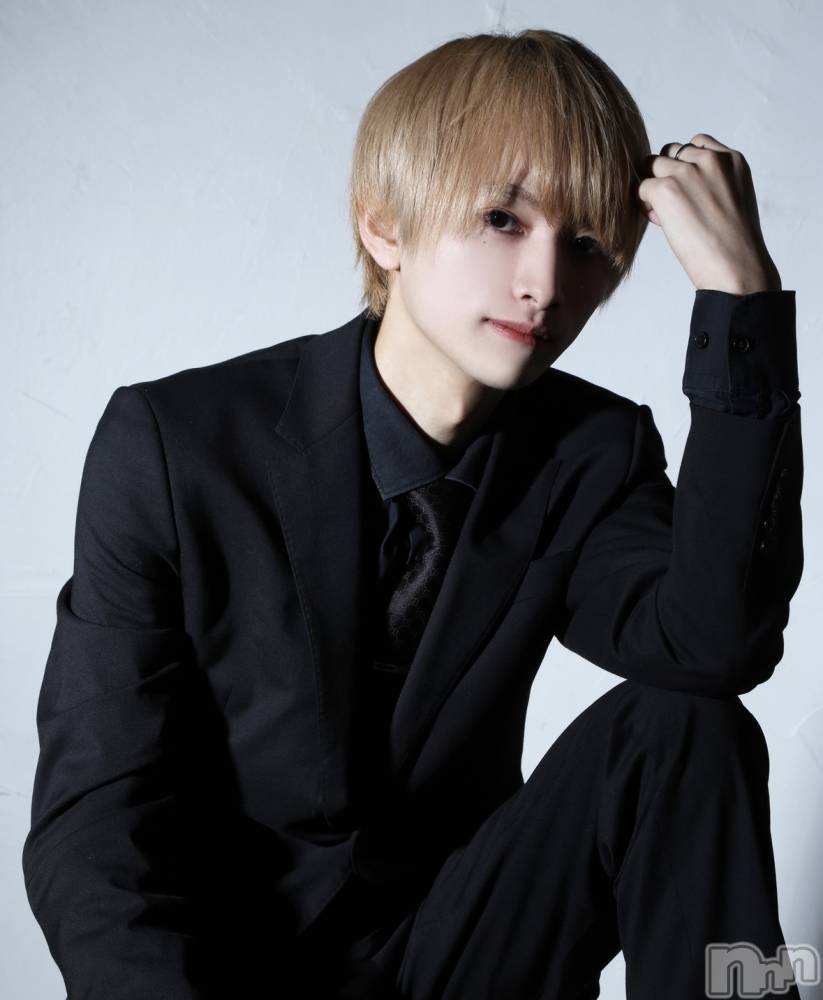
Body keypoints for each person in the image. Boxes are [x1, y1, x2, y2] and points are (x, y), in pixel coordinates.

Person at [22, 28, 803, 1000]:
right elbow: (95, 821)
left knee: (689, 729)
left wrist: (741, 301)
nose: (545, 283)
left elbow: (712, 647)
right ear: (384, 226)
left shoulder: (592, 452)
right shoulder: (177, 444)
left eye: (586, 244)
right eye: (502, 219)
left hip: (459, 957)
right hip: (226, 974)